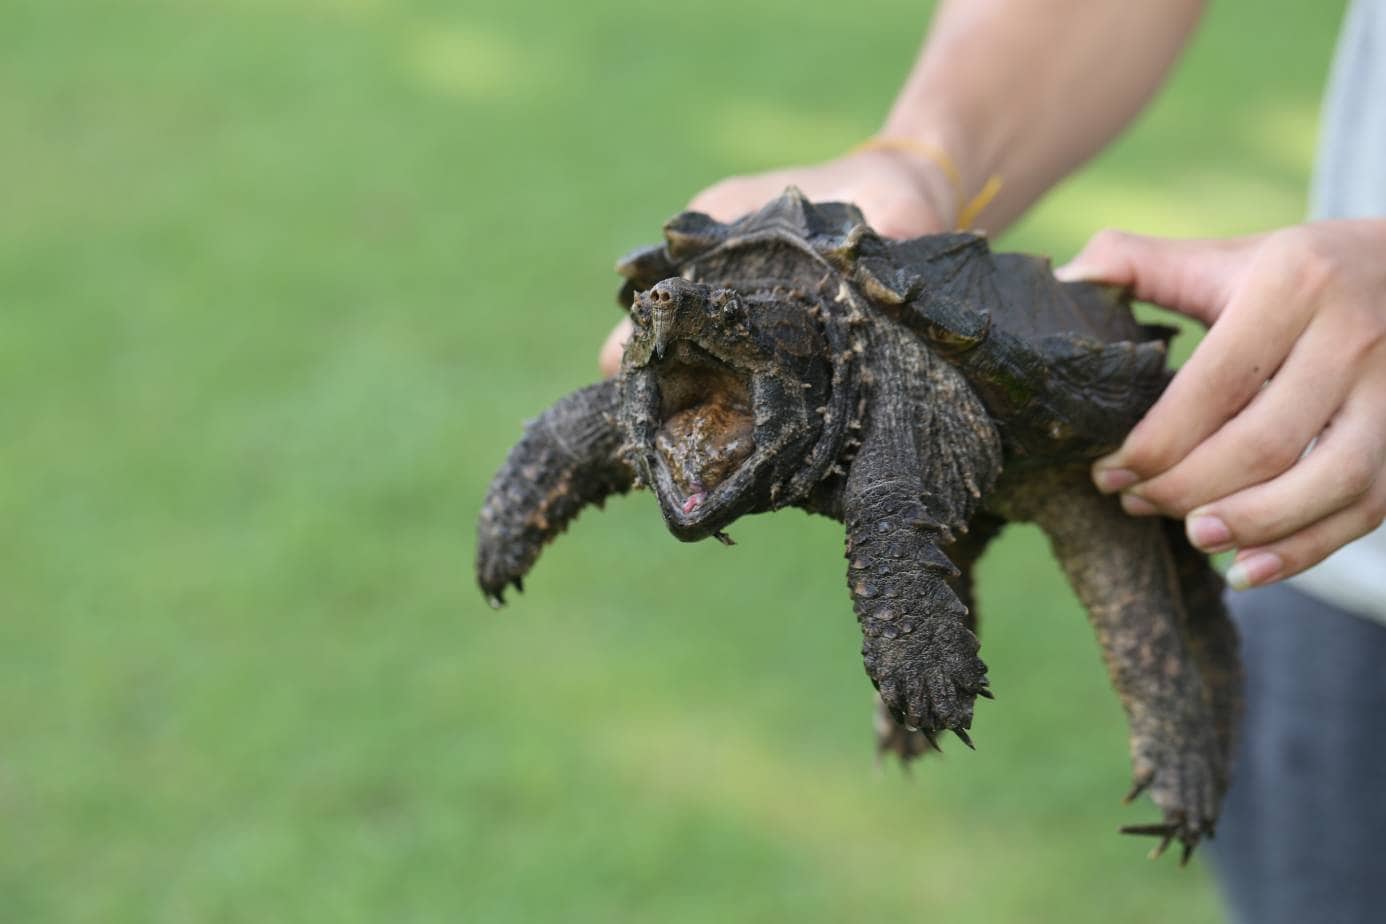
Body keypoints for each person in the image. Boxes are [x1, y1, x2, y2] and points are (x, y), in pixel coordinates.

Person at [597, 2, 1386, 921]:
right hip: (1327, 514)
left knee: (1072, 562)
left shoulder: (891, 413)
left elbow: (892, 508)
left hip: (1254, 440)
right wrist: (924, 155)